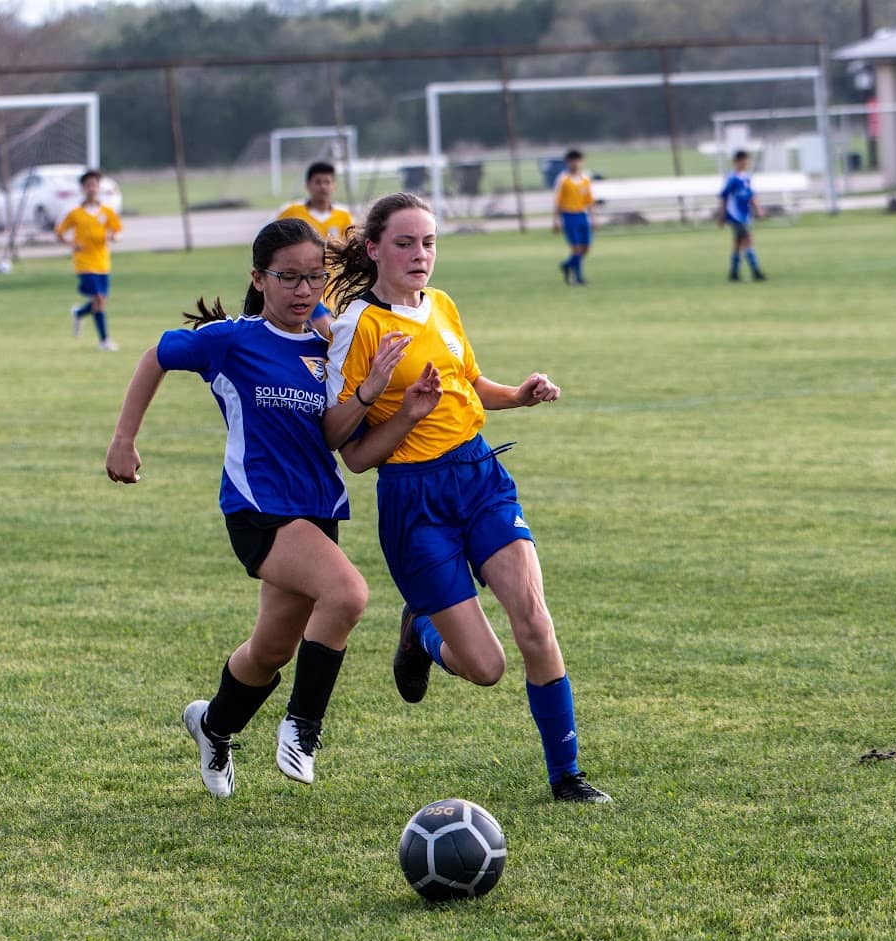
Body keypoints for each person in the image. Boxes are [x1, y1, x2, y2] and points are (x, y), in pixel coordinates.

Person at [105, 218, 431, 798]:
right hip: (258, 509)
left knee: (270, 650)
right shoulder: (230, 339)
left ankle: (213, 725)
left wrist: (377, 391)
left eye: (313, 278)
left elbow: (336, 436)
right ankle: (303, 728)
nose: (303, 291)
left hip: (319, 509)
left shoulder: (329, 343)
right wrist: (124, 439)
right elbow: (156, 354)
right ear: (259, 278)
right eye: (288, 278)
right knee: (349, 594)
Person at [325, 192, 612, 804]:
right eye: (404, 242)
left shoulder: (443, 306)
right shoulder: (360, 326)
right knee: (486, 668)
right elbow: (350, 451)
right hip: (413, 499)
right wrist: (404, 412)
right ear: (373, 249)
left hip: (479, 477)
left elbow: (470, 382)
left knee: (534, 620)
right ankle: (422, 631)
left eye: (428, 242)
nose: (420, 255)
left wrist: (521, 393)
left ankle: (568, 777)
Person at [277, 161, 355, 335]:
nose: (323, 187)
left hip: (328, 289)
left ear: (333, 185)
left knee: (316, 338)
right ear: (308, 185)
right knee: (327, 335)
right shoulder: (292, 212)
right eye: (318, 182)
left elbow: (351, 250)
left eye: (327, 182)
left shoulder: (343, 216)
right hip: (299, 285)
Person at [56, 170, 123, 351]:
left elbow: (117, 230)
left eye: (94, 185)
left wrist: (114, 237)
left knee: (99, 302)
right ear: (83, 188)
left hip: (103, 262)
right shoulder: (75, 213)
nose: (91, 188)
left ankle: (78, 313)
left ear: (98, 187)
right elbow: (59, 232)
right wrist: (71, 244)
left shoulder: (107, 212)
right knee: (99, 298)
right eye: (88, 185)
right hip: (84, 263)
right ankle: (105, 340)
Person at [717, 149, 766, 282]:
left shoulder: (746, 178)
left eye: (747, 160)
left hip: (745, 214)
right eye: (744, 160)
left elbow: (751, 196)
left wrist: (758, 209)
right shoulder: (732, 178)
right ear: (737, 162)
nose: (746, 162)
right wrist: (721, 215)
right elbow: (723, 197)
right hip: (735, 215)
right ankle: (756, 272)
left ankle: (734, 273)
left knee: (738, 243)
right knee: (748, 239)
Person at [551, 149, 595, 286]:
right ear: (567, 162)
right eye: (572, 160)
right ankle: (578, 277)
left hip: (582, 215)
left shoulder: (585, 179)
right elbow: (557, 201)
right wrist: (556, 220)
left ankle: (566, 265)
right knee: (576, 248)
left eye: (577, 160)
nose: (575, 163)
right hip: (569, 215)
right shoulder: (563, 180)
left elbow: (589, 200)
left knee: (585, 248)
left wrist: (594, 218)